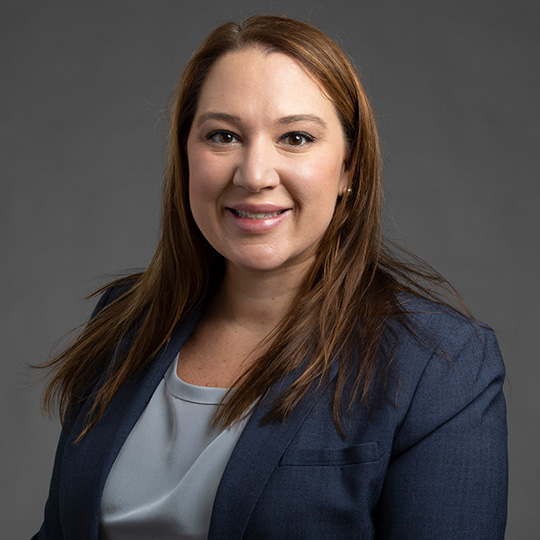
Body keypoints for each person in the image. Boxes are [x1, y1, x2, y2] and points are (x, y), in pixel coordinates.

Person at [33, 15, 507, 540]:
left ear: (349, 168)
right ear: (186, 154)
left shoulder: (439, 364)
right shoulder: (124, 321)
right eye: (223, 136)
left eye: (296, 137)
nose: (254, 174)